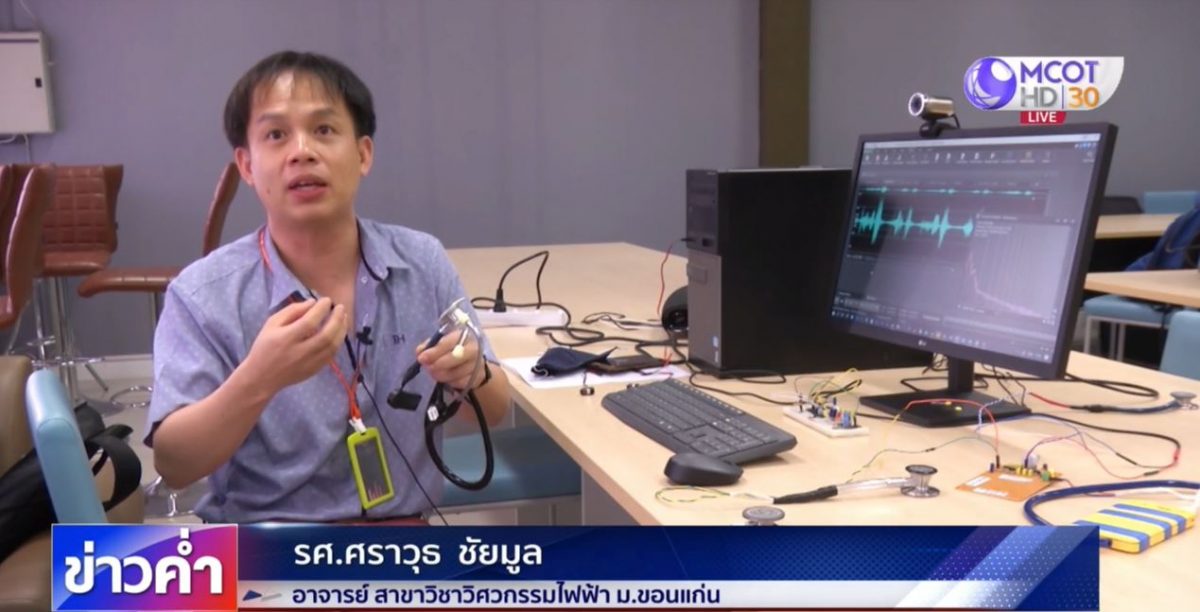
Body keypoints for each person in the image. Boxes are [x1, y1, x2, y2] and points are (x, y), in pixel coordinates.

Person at [146, 51, 511, 523]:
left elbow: (496, 409)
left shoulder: (421, 262)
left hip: (402, 541)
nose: (302, 151)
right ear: (247, 165)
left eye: (323, 130)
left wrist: (471, 374)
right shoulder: (203, 294)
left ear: (363, 155)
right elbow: (174, 465)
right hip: (264, 547)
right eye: (276, 135)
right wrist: (258, 379)